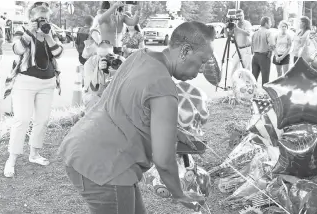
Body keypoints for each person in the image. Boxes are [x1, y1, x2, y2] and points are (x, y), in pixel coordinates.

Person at [58, 21, 215, 214]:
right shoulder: (164, 88)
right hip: (105, 165)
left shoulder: (142, 55)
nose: (201, 69)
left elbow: (135, 106)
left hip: (85, 148)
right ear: (185, 51)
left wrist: (175, 132)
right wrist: (179, 193)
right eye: (202, 61)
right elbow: (164, 161)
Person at [3, 1, 63, 178]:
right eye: (39, 18)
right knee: (22, 120)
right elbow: (17, 49)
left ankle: (34, 154)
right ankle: (11, 159)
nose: (43, 21)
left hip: (48, 82)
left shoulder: (51, 32)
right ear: (31, 18)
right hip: (25, 82)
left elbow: (59, 53)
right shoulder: (22, 30)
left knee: (42, 120)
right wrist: (30, 32)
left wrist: (49, 36)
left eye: (45, 18)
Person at [83, 40, 125, 111]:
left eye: (108, 56)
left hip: (114, 94)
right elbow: (93, 88)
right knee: (92, 99)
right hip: (96, 94)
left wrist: (115, 69)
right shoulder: (90, 63)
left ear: (113, 53)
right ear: (97, 53)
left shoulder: (120, 61)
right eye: (101, 56)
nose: (104, 59)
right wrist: (98, 69)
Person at [229, 9, 253, 77]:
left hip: (246, 48)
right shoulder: (235, 25)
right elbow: (229, 36)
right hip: (238, 49)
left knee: (246, 69)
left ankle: (247, 84)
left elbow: (248, 33)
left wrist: (237, 28)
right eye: (238, 16)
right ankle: (233, 83)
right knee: (234, 67)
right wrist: (226, 28)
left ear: (243, 15)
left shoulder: (247, 23)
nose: (239, 17)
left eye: (241, 15)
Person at [251, 16, 273, 85]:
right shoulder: (268, 32)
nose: (271, 24)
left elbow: (251, 47)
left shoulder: (255, 33)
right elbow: (272, 44)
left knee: (253, 78)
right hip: (264, 56)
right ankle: (265, 94)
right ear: (266, 23)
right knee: (265, 78)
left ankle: (251, 93)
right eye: (270, 22)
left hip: (255, 56)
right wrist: (270, 51)